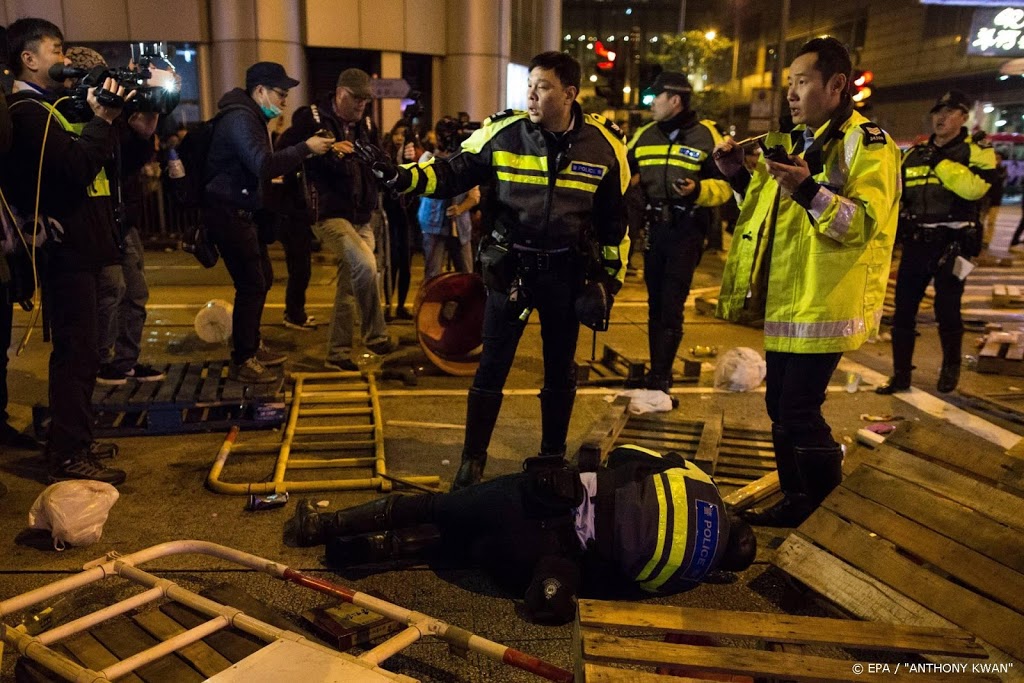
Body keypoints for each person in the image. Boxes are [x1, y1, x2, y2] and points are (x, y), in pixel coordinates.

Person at [355, 51, 631, 489]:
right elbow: (449, 175)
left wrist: (607, 282)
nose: (532, 96)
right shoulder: (504, 133)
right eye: (530, 87)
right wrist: (403, 177)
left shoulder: (606, 146)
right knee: (491, 368)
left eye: (542, 87)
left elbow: (616, 223)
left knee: (560, 372)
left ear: (570, 93)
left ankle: (551, 457)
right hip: (512, 271)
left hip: (566, 274)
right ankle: (472, 459)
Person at [713, 37, 902, 526]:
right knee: (779, 405)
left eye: (801, 83)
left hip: (826, 302)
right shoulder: (796, 142)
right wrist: (737, 178)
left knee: (798, 408)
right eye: (789, 85)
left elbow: (861, 224)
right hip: (789, 300)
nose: (791, 95)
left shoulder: (870, 144)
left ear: (837, 85)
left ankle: (823, 511)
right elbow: (763, 216)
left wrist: (808, 188)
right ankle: (797, 500)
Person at [291, 444, 757, 624]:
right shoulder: (687, 575)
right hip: (534, 559)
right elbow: (616, 585)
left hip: (538, 498)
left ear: (731, 513)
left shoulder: (698, 481)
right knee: (461, 547)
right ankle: (359, 554)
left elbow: (623, 455)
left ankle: (325, 525)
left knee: (436, 507)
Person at [2, 18, 143, 483]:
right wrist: (100, 121)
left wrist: (106, 115)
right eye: (57, 50)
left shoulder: (54, 106)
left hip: (87, 246)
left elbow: (104, 164)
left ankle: (74, 442)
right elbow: (74, 169)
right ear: (29, 58)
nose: (65, 59)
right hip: (65, 252)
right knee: (75, 354)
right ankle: (66, 456)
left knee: (83, 356)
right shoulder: (26, 111)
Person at [204, 62, 333, 383]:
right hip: (228, 211)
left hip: (241, 211)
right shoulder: (240, 118)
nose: (285, 99)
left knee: (262, 277)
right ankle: (243, 359)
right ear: (259, 90)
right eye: (280, 93)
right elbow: (264, 164)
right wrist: (306, 148)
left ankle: (250, 344)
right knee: (252, 282)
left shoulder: (251, 117)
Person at [54, 47, 167, 388]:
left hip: (120, 217)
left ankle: (124, 362)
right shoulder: (64, 115)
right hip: (87, 223)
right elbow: (78, 167)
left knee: (134, 294)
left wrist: (143, 134)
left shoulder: (111, 116)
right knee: (109, 294)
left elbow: (122, 168)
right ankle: (102, 362)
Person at [877, 90, 995, 396]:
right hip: (918, 244)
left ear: (963, 117)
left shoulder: (977, 150)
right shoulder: (913, 154)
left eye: (950, 112)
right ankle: (901, 375)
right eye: (937, 112)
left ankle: (950, 368)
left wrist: (940, 162)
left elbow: (975, 189)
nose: (941, 118)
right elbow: (896, 196)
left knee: (948, 309)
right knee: (903, 311)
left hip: (954, 246)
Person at [627, 72, 731, 394]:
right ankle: (656, 369)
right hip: (655, 228)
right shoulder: (644, 135)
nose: (650, 105)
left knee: (672, 303)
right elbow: (623, 170)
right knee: (655, 304)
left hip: (687, 229)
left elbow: (726, 186)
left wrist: (699, 190)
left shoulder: (707, 136)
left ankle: (661, 376)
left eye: (655, 99)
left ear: (675, 100)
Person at [288, 68, 393, 372]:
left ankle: (337, 354)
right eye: (358, 99)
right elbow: (287, 151)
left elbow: (378, 160)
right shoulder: (311, 118)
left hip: (362, 214)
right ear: (341, 94)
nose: (363, 105)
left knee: (351, 285)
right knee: (366, 266)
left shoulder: (367, 125)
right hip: (330, 214)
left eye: (366, 100)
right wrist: (324, 148)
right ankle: (375, 335)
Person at [417, 116, 479, 281]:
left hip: (459, 224)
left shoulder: (465, 160)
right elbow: (421, 188)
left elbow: (474, 195)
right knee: (433, 276)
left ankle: (465, 307)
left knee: (466, 276)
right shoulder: (428, 158)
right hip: (432, 221)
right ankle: (431, 306)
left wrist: (460, 208)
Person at [381, 119, 415, 319]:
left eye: (403, 134)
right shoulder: (387, 156)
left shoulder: (412, 154)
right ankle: (387, 305)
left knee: (406, 264)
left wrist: (411, 162)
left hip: (407, 216)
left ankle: (401, 305)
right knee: (391, 262)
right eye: (397, 133)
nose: (399, 138)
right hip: (391, 215)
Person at [982, 150, 1006, 251]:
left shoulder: (1002, 170)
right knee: (981, 221)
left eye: (998, 159)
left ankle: (987, 241)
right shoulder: (987, 169)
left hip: (995, 200)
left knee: (991, 222)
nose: (996, 160)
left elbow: (999, 178)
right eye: (995, 158)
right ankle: (980, 239)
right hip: (985, 199)